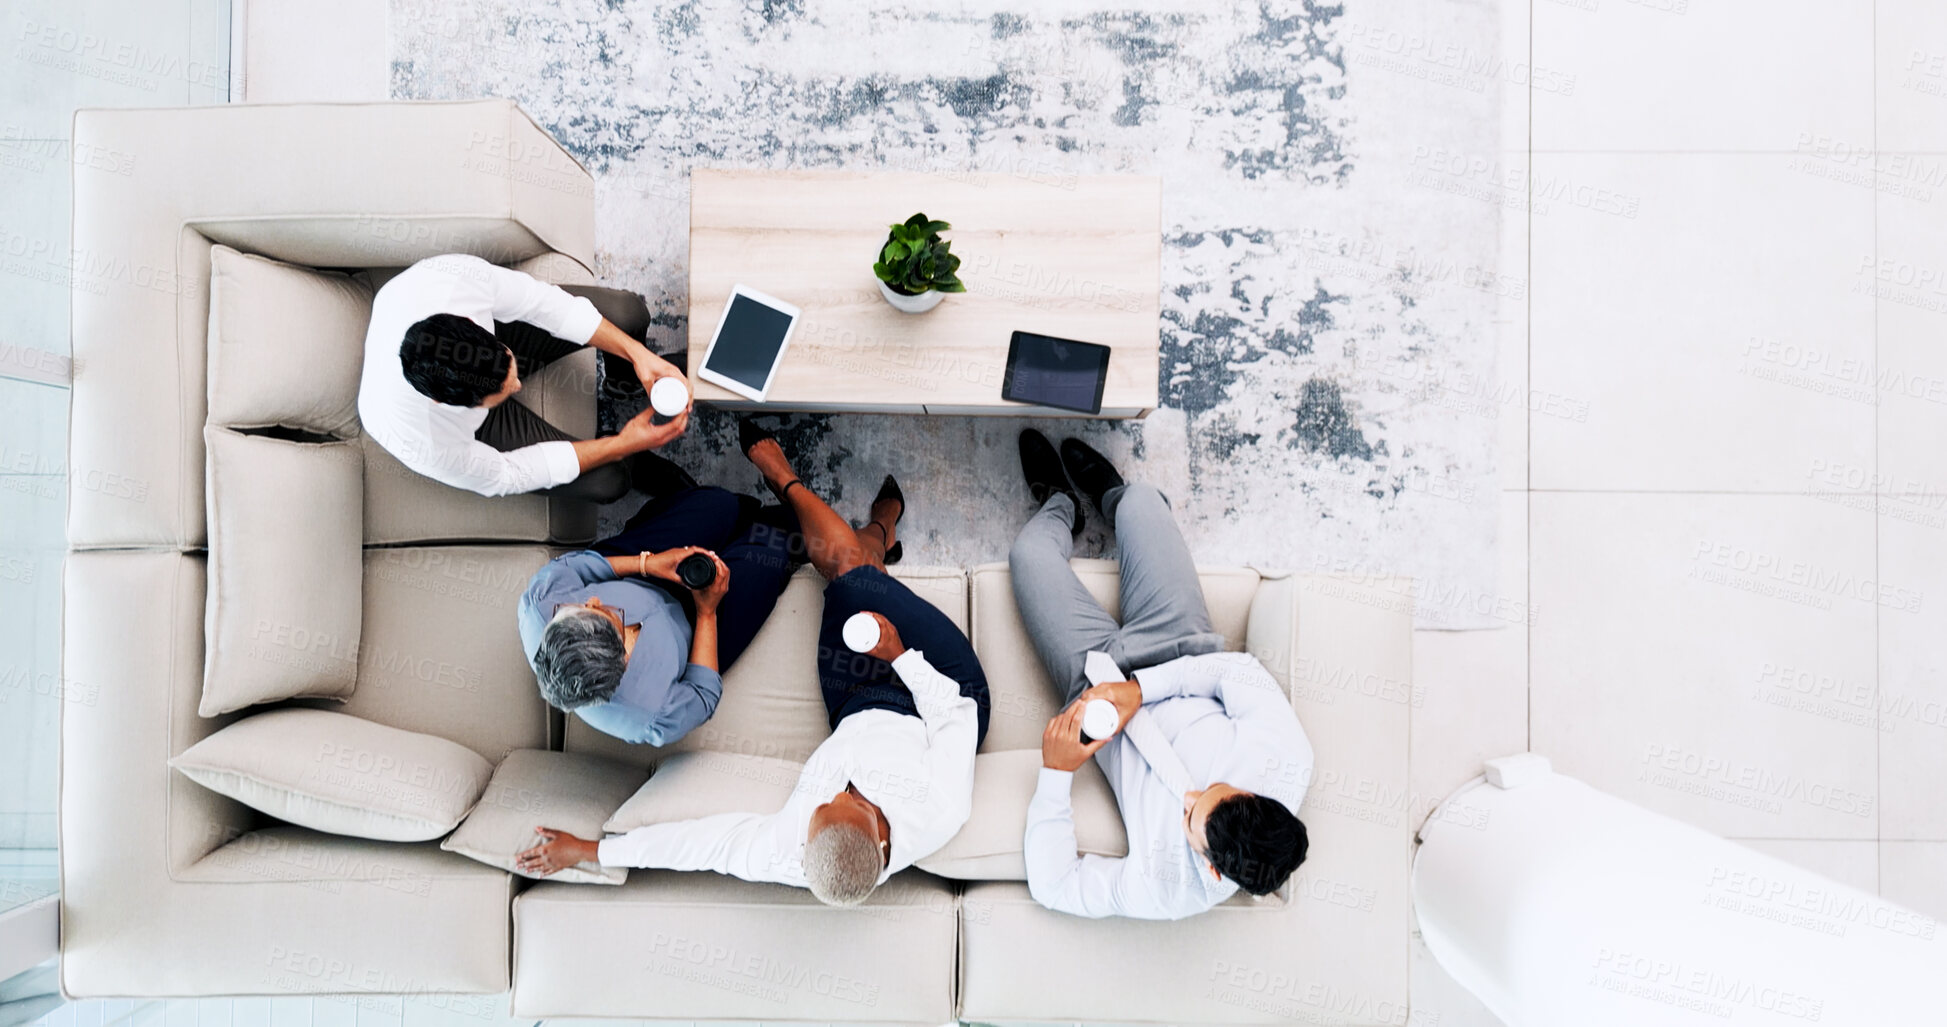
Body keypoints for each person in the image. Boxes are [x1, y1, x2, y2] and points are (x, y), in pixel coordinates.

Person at [516, 421, 991, 907]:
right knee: (849, 574)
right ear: (883, 841)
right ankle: (857, 522)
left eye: (822, 806)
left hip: (856, 703)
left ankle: (859, 526)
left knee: (849, 577)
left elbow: (701, 848)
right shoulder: (941, 808)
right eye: (851, 804)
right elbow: (956, 714)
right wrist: (898, 655)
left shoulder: (787, 851)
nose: (839, 792)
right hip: (944, 691)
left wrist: (591, 850)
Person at [1009, 429, 1311, 920]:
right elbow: (1236, 672)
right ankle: (1115, 498)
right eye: (1213, 791)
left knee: (1028, 557)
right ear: (1252, 793)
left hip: (1094, 685)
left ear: (1212, 869)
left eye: (1191, 815)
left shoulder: (1167, 889)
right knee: (1142, 504)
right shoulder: (1289, 758)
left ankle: (1061, 504)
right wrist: (1142, 688)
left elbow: (1057, 886)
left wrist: (1056, 773)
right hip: (1178, 644)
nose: (1190, 795)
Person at [517, 457, 805, 747]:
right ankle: (762, 525)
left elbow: (575, 568)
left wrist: (648, 563)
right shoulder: (650, 717)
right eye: (608, 613)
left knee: (720, 505)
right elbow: (703, 694)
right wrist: (707, 613)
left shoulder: (541, 605)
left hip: (639, 574)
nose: (593, 599)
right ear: (624, 662)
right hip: (695, 631)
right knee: (769, 552)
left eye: (583, 607)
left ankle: (707, 507)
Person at [359, 253, 691, 502]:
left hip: (494, 342)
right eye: (507, 389)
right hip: (472, 429)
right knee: (609, 480)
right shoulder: (428, 443)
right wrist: (620, 445)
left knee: (626, 313)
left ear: (473, 323)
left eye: (511, 372)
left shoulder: (451, 282)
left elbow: (541, 303)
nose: (518, 386)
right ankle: (634, 457)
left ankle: (625, 382)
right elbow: (508, 475)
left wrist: (638, 354)